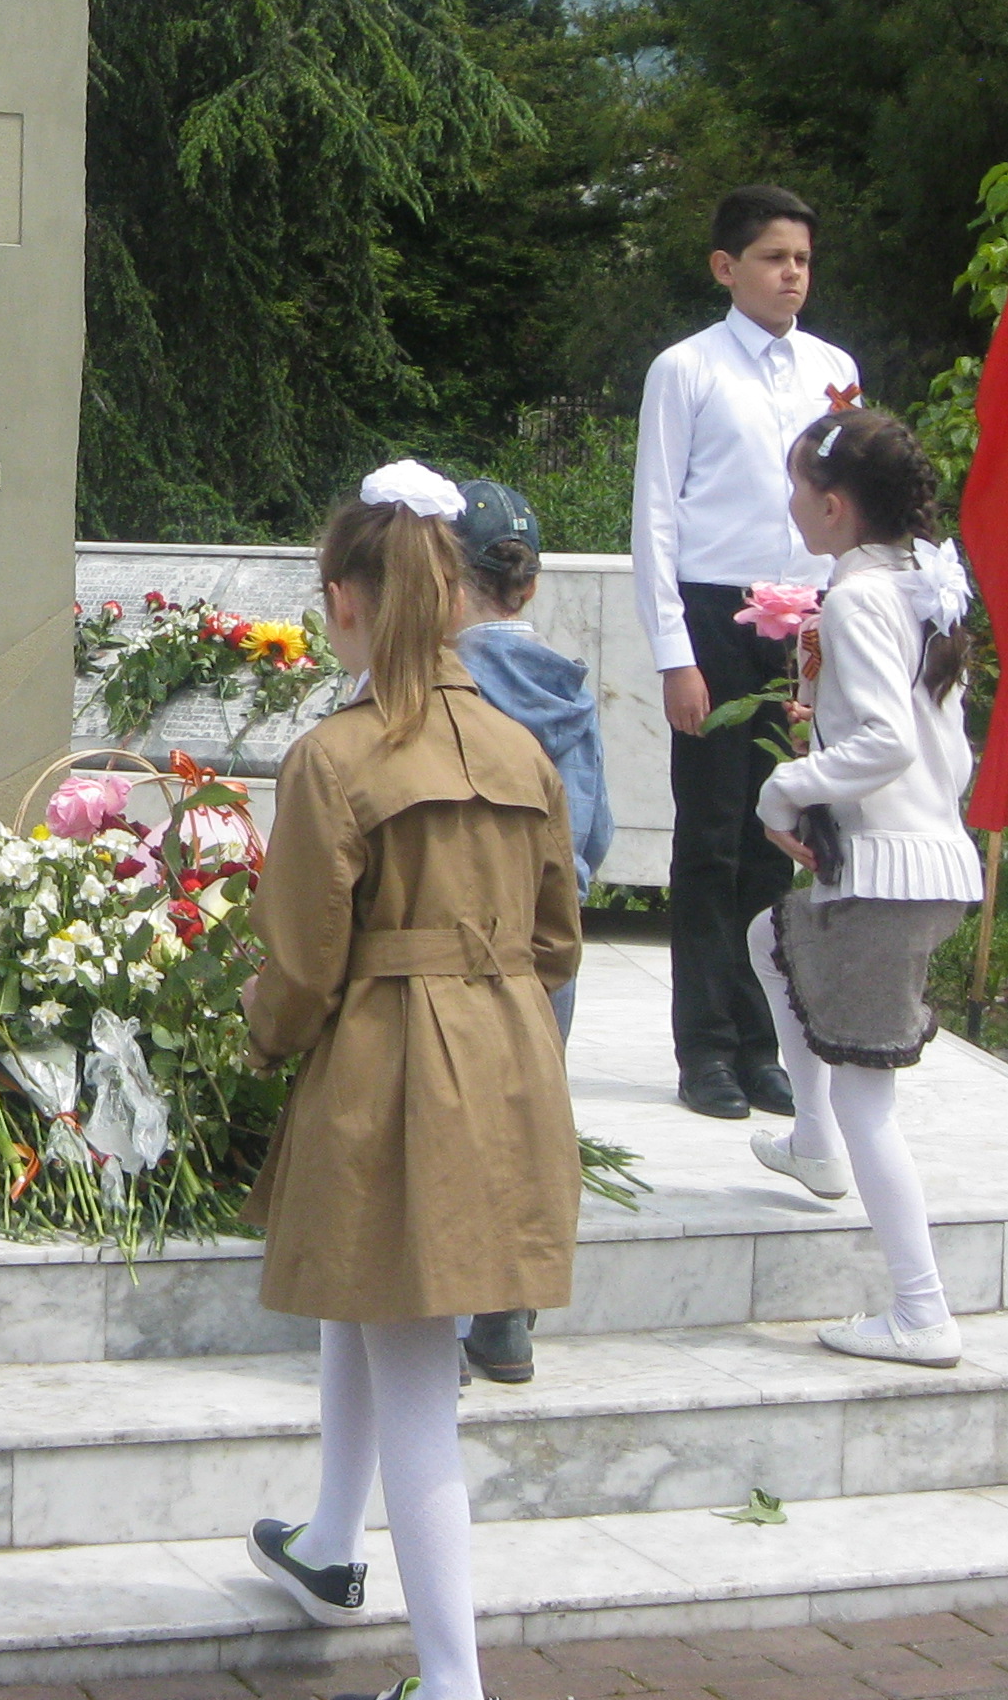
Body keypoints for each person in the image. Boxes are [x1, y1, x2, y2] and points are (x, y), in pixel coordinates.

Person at [242, 462, 582, 1700]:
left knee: (419, 1378)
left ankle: (452, 1681)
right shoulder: (515, 741)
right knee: (369, 1293)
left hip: (390, 1059)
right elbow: (559, 937)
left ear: (344, 600)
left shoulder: (333, 758)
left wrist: (261, 1049)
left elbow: (299, 963)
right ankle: (331, 1544)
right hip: (503, 1052)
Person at [746, 406, 983, 1368]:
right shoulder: (923, 586)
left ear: (834, 506)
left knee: (867, 1101)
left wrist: (789, 783)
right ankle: (810, 1142)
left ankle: (922, 1313)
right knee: (771, 943)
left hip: (888, 876)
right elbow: (940, 752)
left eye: (798, 484)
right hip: (928, 865)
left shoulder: (855, 600)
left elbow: (882, 743)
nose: (791, 500)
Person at [631, 182, 861, 1121]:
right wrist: (674, 654)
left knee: (785, 836)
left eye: (803, 258)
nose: (792, 275)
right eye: (773, 258)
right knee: (714, 837)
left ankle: (766, 1042)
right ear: (728, 268)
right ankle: (707, 1049)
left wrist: (846, 630)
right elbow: (655, 516)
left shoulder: (834, 369)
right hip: (717, 618)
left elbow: (853, 503)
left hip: (809, 624)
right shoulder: (685, 370)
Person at [445, 474, 611, 1386]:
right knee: (527, 1125)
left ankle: (429, 1316)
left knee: (449, 1124)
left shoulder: (442, 682)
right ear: (531, 585)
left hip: (454, 947)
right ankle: (508, 1322)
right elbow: (598, 831)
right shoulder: (567, 689)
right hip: (550, 950)